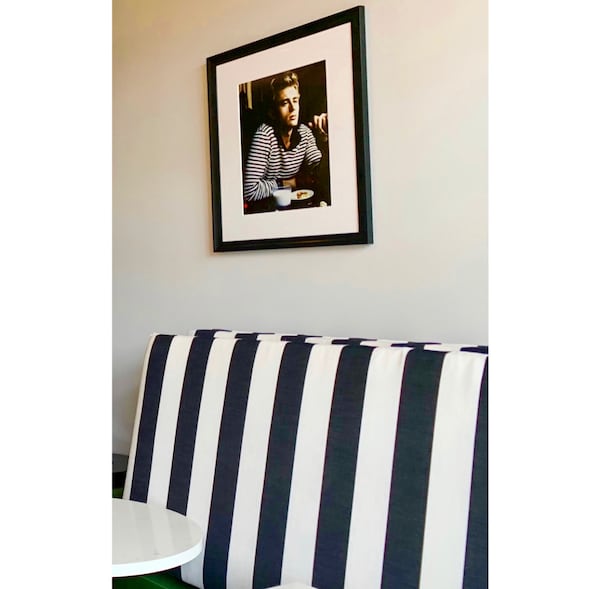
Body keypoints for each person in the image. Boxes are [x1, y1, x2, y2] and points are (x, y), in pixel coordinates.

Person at [243, 71, 328, 210]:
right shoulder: (264, 136)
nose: (293, 108)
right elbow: (249, 190)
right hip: (267, 211)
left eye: (295, 100)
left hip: (294, 208)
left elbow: (319, 173)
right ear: (272, 111)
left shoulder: (305, 133)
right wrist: (287, 183)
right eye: (284, 103)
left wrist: (324, 139)